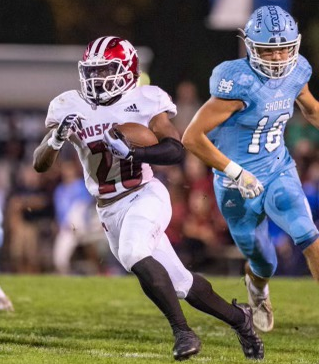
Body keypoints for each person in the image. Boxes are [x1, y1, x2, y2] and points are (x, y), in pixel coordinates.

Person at [32, 36, 263, 360]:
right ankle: (241, 320)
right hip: (109, 209)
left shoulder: (145, 100)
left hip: (144, 195)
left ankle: (183, 333)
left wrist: (136, 152)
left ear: (126, 70)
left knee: (132, 251)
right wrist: (55, 139)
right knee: (181, 283)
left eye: (105, 71)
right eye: (92, 72)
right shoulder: (68, 104)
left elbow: (175, 149)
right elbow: (39, 164)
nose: (97, 80)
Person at [182, 5, 319, 333]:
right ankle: (257, 289)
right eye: (270, 51)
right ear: (251, 47)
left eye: (285, 48)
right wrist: (235, 172)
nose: (279, 58)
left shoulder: (297, 71)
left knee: (309, 235)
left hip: (278, 169)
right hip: (235, 183)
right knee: (263, 261)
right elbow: (192, 137)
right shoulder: (238, 82)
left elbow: (312, 109)